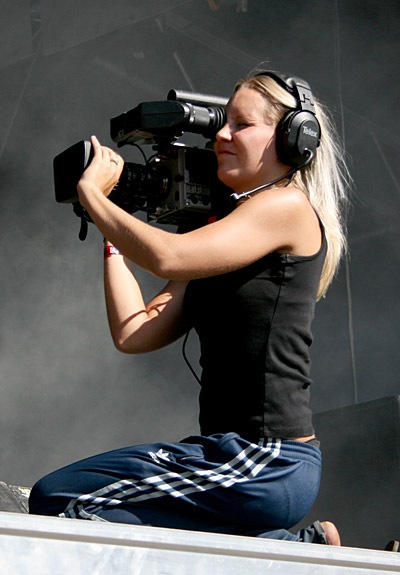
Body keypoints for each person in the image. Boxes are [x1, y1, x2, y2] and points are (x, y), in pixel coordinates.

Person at [29, 69, 349, 545]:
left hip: (265, 460)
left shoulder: (288, 206)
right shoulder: (223, 235)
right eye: (224, 123)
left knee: (61, 497)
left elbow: (167, 256)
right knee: (101, 514)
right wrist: (112, 231)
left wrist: (93, 194)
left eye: (242, 124)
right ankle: (288, 550)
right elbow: (135, 332)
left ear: (293, 137)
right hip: (232, 460)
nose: (222, 135)